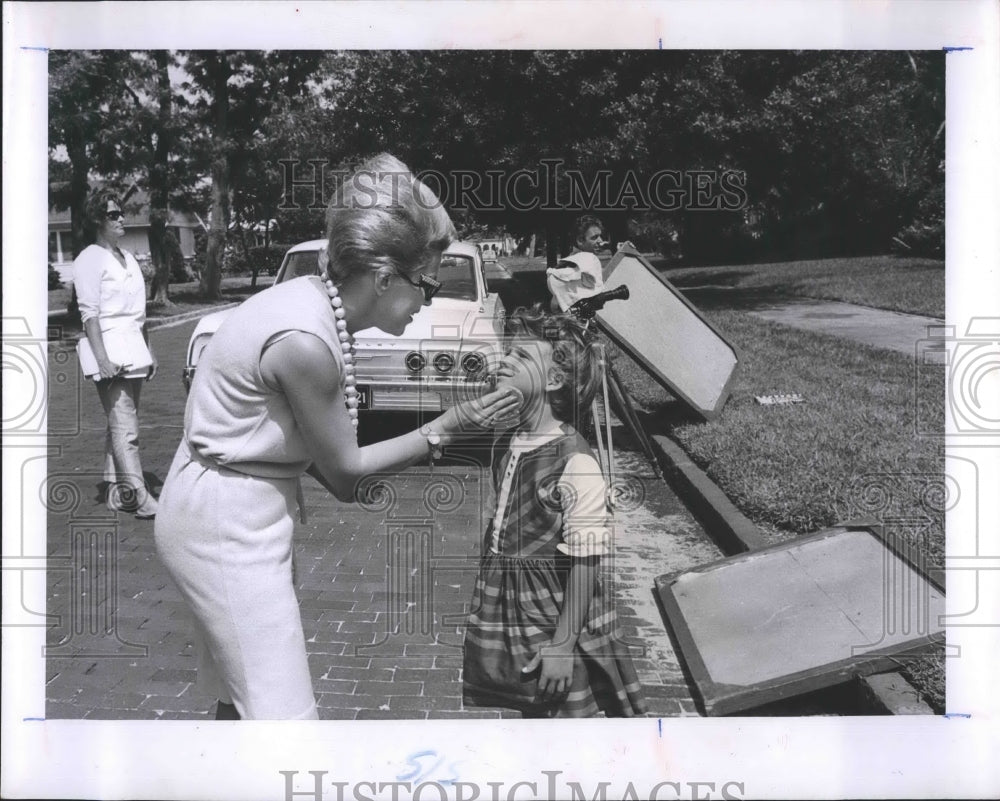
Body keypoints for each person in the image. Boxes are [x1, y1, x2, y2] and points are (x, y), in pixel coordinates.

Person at [153, 154, 520, 721]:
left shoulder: (312, 304)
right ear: (384, 278)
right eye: (426, 283)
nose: (427, 299)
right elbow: (345, 473)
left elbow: (321, 456)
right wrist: (449, 426)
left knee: (243, 696)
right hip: (226, 525)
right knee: (286, 722)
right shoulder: (306, 342)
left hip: (227, 506)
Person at [462, 306, 647, 718]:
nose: (505, 360)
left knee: (563, 711)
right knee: (531, 703)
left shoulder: (574, 461)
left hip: (556, 608)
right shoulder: (508, 441)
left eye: (522, 356)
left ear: (553, 380)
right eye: (508, 352)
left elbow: (586, 560)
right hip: (513, 601)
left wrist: (563, 646)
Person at [73, 189, 159, 519]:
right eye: (113, 214)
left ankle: (114, 490)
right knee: (126, 427)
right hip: (110, 352)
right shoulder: (89, 259)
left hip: (135, 349)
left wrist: (149, 350)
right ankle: (140, 496)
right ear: (98, 220)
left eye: (121, 212)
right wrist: (103, 360)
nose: (121, 218)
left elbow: (139, 313)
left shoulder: (128, 258)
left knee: (121, 423)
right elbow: (89, 316)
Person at [546, 215, 607, 313]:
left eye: (600, 236)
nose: (600, 241)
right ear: (580, 240)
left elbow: (555, 303)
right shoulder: (589, 259)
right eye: (594, 237)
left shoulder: (570, 260)